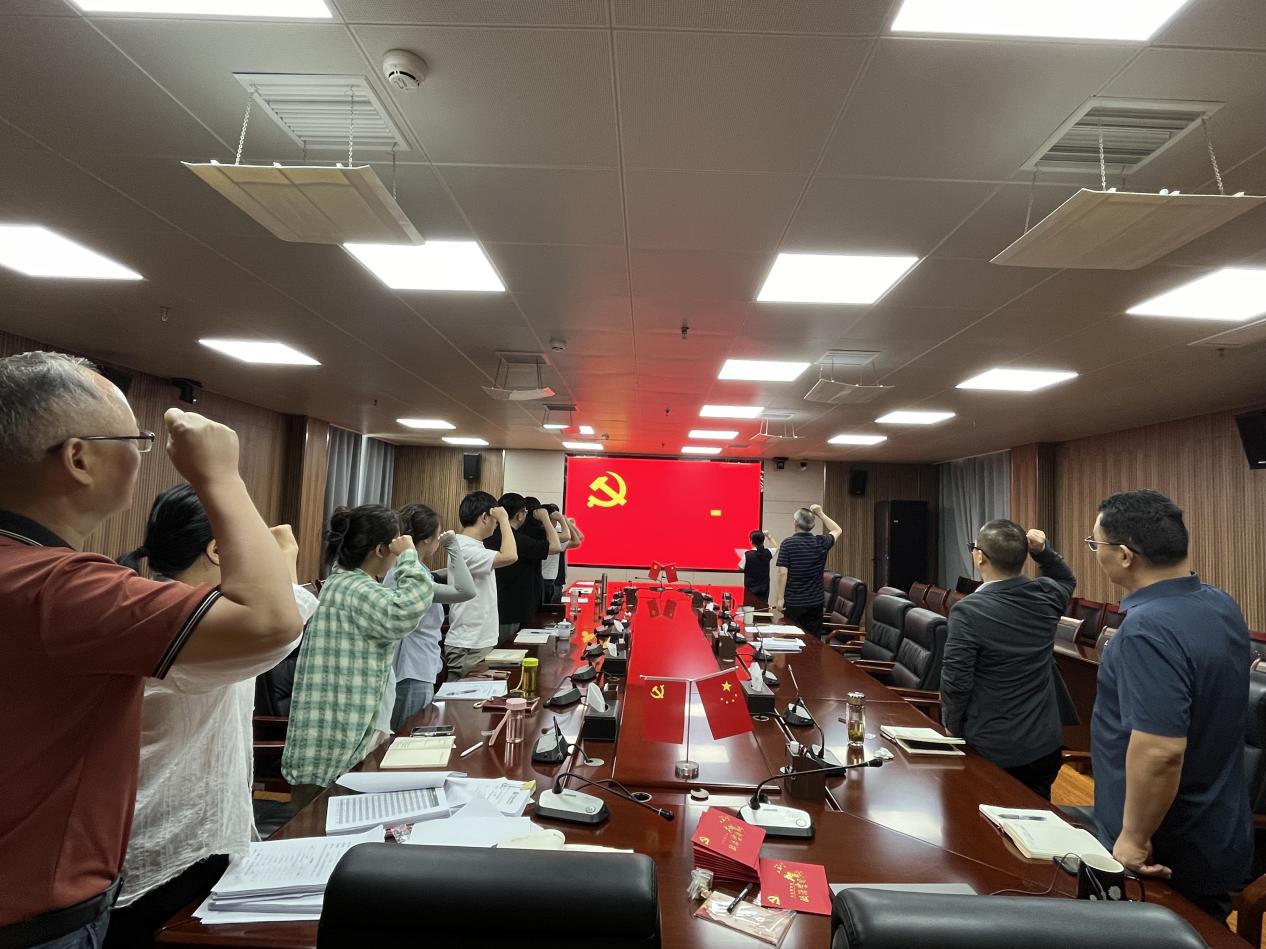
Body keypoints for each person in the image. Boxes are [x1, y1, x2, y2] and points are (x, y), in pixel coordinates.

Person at [0, 351, 301, 948]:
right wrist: (220, 476)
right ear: (79, 458)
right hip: (36, 918)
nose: (143, 457)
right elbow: (272, 620)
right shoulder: (59, 585)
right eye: (134, 442)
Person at [105, 487, 319, 949]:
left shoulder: (171, 605)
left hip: (195, 837)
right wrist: (283, 554)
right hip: (167, 849)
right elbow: (282, 626)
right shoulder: (178, 616)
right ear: (218, 549)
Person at [1087, 489, 1251, 918]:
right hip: (1214, 827)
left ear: (1125, 555)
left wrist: (1133, 839)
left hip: (1162, 850)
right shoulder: (1220, 603)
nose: (1095, 554)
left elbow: (1160, 751)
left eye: (1095, 545)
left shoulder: (1148, 628)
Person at [281, 505, 434, 808]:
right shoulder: (357, 588)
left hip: (340, 727)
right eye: (393, 548)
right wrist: (409, 556)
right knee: (323, 817)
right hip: (340, 734)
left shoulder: (344, 582)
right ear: (381, 549)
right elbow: (409, 607)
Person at [938, 522, 1075, 799]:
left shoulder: (968, 611)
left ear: (980, 557)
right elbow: (1066, 580)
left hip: (993, 746)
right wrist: (1043, 553)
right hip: (1044, 744)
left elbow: (957, 680)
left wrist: (951, 728)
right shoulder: (1045, 596)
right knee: (1036, 815)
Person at [386, 502, 476, 729]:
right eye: (438, 535)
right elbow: (466, 591)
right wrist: (453, 548)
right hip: (411, 670)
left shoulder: (414, 569)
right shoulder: (409, 574)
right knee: (407, 735)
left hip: (418, 667)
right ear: (427, 539)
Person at [444, 491, 515, 680]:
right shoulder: (465, 548)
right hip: (469, 643)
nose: (496, 524)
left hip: (476, 640)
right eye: (495, 520)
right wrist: (505, 519)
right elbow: (510, 556)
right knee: (463, 698)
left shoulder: (471, 545)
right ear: (484, 517)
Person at [486, 493, 560, 645]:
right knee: (508, 650)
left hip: (494, 606)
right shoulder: (519, 540)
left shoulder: (489, 537)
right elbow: (555, 546)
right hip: (513, 610)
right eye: (524, 512)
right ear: (520, 515)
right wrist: (546, 519)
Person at [772, 504, 842, 636]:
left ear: (796, 523)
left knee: (793, 639)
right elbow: (837, 530)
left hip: (794, 602)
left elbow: (782, 573)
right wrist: (820, 513)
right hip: (815, 602)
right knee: (813, 640)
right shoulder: (821, 542)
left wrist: (780, 598)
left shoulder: (788, 543)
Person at [540, 503, 579, 604]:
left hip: (545, 579)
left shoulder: (537, 532)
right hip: (548, 579)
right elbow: (576, 541)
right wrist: (563, 520)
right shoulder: (552, 536)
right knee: (549, 610)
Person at [740, 530, 777, 606]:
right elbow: (776, 547)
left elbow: (740, 567)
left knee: (749, 611)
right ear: (763, 541)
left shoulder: (747, 555)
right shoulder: (767, 553)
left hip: (750, 590)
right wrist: (769, 536)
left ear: (751, 541)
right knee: (762, 610)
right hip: (764, 590)